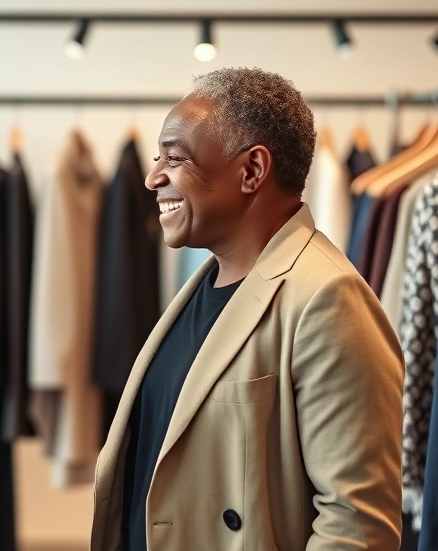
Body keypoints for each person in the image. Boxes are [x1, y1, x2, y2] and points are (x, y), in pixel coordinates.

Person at [90, 68, 404, 550]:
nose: (153, 178)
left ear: (253, 170)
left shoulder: (327, 298)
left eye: (175, 157)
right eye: (158, 158)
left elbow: (356, 525)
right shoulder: (203, 288)